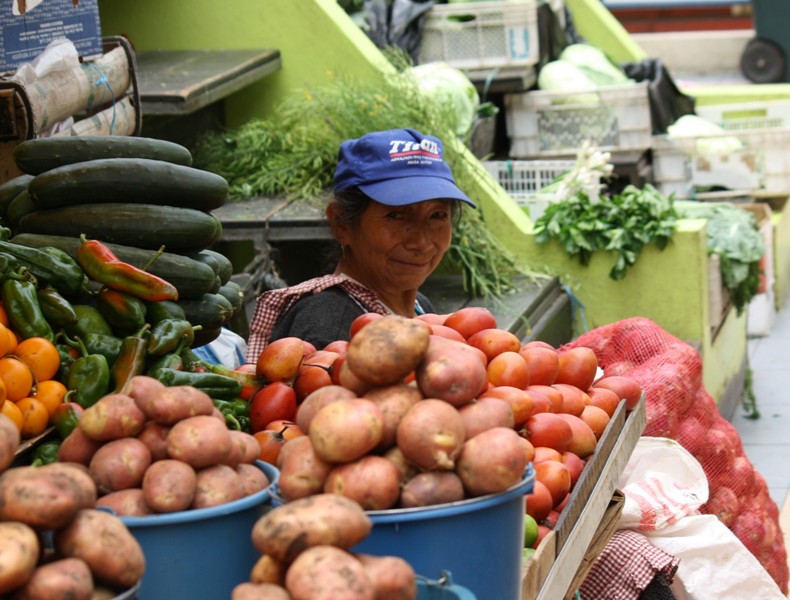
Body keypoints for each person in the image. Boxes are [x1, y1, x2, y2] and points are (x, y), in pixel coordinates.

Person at [245, 127, 476, 362]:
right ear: (341, 224)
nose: (421, 242)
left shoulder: (417, 305)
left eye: (437, 215)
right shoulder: (327, 327)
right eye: (395, 216)